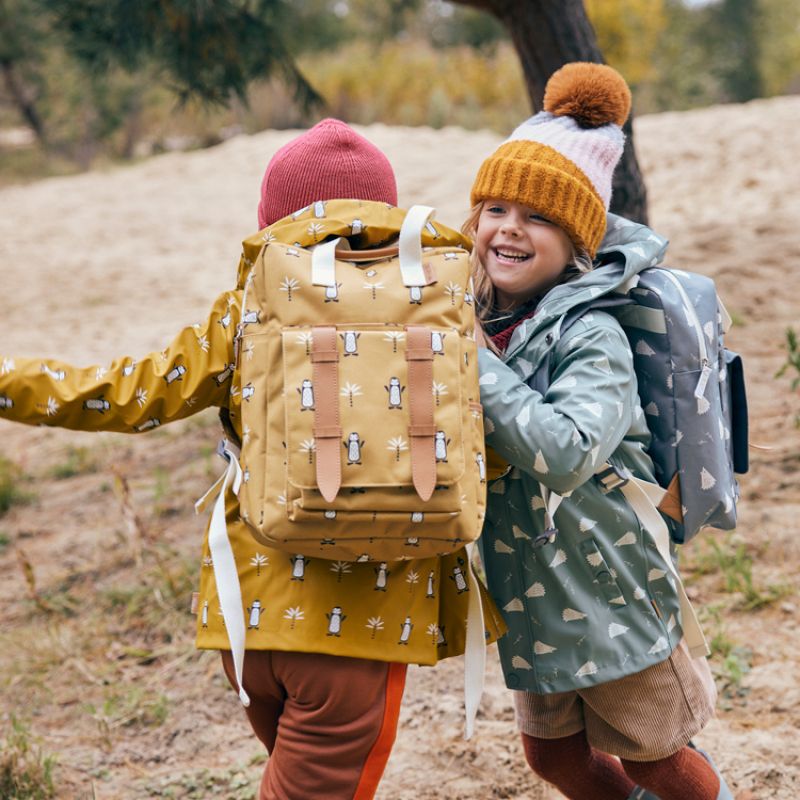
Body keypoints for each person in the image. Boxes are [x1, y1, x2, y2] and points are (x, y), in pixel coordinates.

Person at [0, 118, 504, 800]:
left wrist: (10, 383)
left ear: (272, 221)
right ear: (386, 213)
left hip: (249, 623)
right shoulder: (440, 311)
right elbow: (489, 451)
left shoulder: (246, 310)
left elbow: (128, 392)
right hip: (365, 630)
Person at [468, 63, 734, 800]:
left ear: (578, 237)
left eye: (539, 216)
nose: (509, 229)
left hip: (611, 588)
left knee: (657, 759)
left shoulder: (593, 334)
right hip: (531, 593)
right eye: (494, 208)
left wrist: (470, 363)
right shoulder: (479, 314)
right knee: (552, 759)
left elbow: (567, 450)